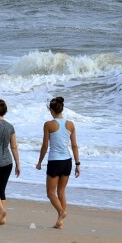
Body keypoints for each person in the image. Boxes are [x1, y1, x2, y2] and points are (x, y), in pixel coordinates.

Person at [36, 97, 81, 229]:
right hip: (67, 161)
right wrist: (78, 164)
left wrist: (39, 162)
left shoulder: (48, 125)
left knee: (50, 193)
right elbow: (74, 146)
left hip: (54, 162)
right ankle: (60, 221)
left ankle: (61, 212)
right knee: (61, 192)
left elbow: (45, 146)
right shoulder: (70, 124)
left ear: (51, 110)